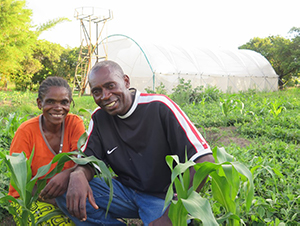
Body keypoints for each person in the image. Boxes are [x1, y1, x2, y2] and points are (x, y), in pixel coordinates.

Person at [50, 60, 214, 225]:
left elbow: (204, 159)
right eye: (97, 91)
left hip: (163, 198)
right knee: (67, 190)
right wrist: (78, 174)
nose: (105, 96)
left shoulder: (158, 107)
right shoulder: (100, 118)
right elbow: (89, 161)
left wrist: (171, 215)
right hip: (125, 193)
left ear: (126, 81)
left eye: (111, 86)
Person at [8, 76, 86, 225]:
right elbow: (20, 181)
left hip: (66, 195)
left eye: (64, 102)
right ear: (39, 103)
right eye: (50, 101)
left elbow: (82, 161)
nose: (58, 108)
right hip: (29, 197)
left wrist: (66, 175)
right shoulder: (26, 131)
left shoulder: (74, 124)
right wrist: (57, 201)